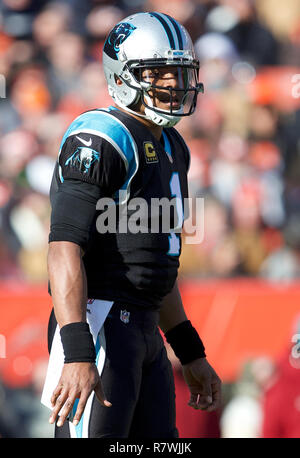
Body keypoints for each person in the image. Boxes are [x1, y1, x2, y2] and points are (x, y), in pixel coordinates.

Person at [42, 11, 222, 438]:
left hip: (145, 332)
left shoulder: (173, 145)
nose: (175, 85)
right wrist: (78, 351)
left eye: (180, 73)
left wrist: (190, 351)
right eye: (160, 74)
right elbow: (63, 247)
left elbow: (154, 265)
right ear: (124, 74)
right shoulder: (100, 136)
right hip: (99, 323)